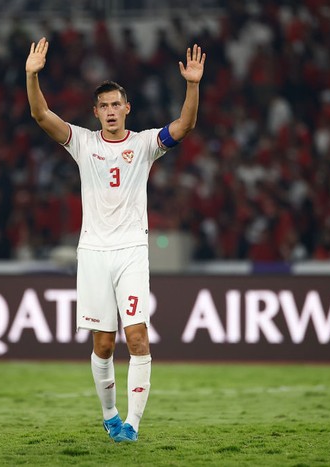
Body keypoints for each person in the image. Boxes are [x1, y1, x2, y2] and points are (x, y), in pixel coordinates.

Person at [26, 36, 205, 443]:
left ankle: (133, 427)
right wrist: (31, 76)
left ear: (127, 109)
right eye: (103, 106)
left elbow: (185, 125)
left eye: (115, 105)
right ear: (96, 112)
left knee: (137, 336)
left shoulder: (143, 144)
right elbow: (40, 115)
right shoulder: (82, 143)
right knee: (104, 345)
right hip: (92, 253)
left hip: (131, 252)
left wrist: (192, 85)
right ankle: (109, 415)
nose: (109, 111)